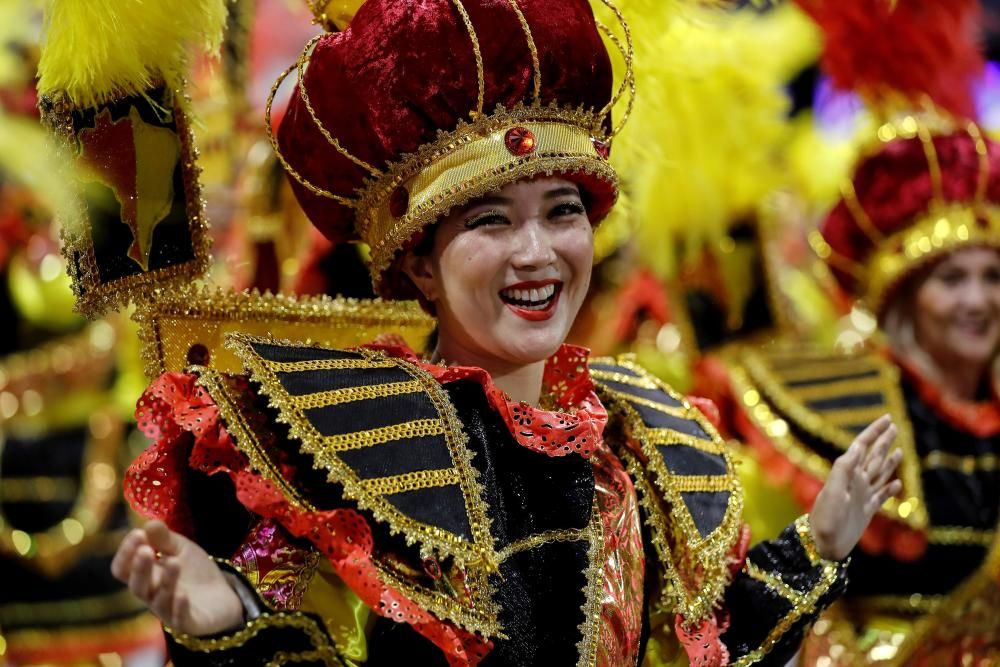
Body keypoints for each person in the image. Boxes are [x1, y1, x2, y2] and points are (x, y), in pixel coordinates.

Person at [106, 0, 901, 664]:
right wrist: (230, 615)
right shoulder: (346, 445)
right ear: (418, 265)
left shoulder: (644, 437)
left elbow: (703, 646)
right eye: (491, 220)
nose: (537, 253)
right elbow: (309, 634)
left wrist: (817, 543)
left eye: (563, 212)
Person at [723, 121, 1000, 664]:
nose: (978, 300)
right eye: (951, 280)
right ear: (906, 299)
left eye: (992, 276)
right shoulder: (846, 408)